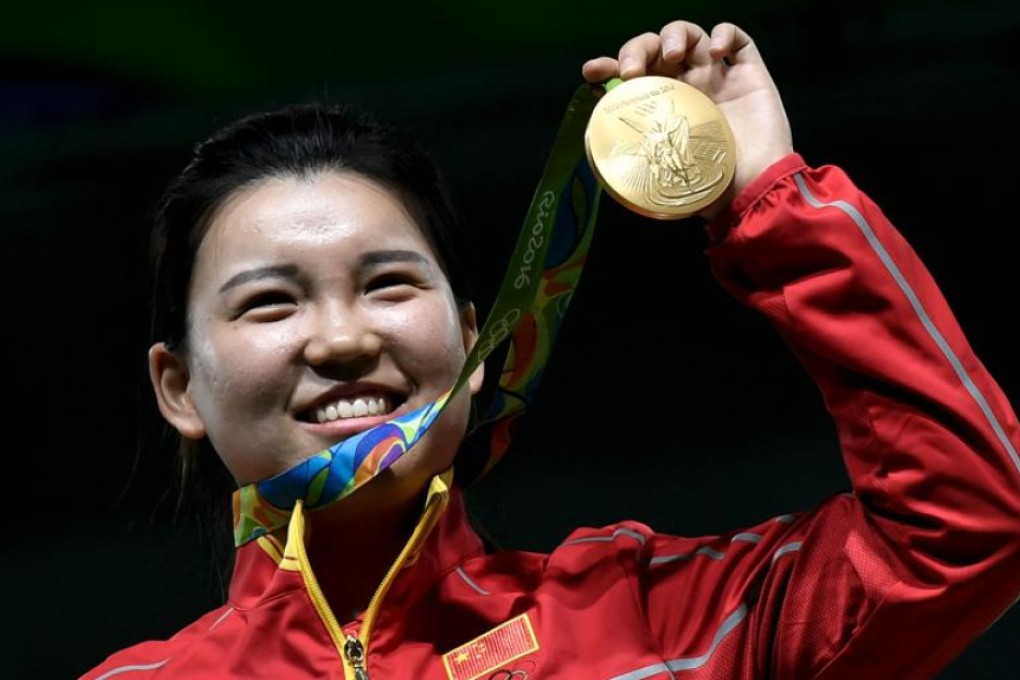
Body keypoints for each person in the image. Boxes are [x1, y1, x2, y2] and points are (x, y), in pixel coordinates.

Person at [81, 18, 1019, 680]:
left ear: (478, 345)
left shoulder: (666, 625)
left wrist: (769, 203)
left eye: (390, 284)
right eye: (271, 303)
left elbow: (973, 524)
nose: (344, 337)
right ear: (179, 388)